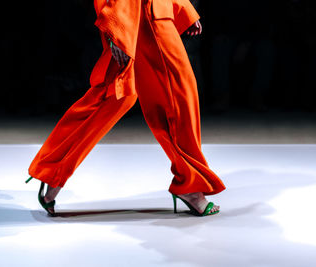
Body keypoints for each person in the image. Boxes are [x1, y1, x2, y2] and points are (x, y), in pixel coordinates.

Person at [25, 0, 226, 217]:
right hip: (135, 13)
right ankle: (191, 185)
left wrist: (181, 6)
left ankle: (53, 170)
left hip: (148, 13)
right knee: (175, 96)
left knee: (117, 95)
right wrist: (118, 28)